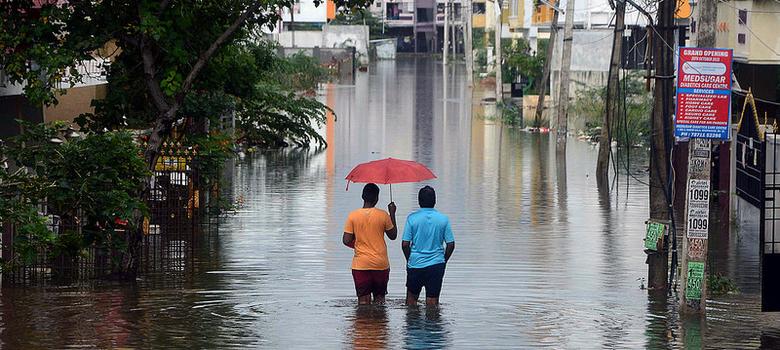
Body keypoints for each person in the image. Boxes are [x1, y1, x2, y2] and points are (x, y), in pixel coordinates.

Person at [343, 183, 397, 305]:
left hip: (360, 265)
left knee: (363, 303)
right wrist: (392, 213)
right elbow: (393, 236)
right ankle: (379, 323)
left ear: (362, 196)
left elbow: (346, 240)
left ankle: (363, 323)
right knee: (379, 301)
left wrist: (358, 244)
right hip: (380, 265)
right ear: (377, 198)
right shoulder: (383, 215)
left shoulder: (353, 216)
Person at [402, 186, 455, 306]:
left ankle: (413, 324)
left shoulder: (412, 218)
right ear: (435, 201)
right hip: (436, 264)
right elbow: (451, 244)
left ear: (419, 201)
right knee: (432, 303)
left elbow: (405, 244)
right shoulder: (443, 219)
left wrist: (409, 259)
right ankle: (432, 324)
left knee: (411, 302)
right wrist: (443, 260)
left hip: (415, 264)